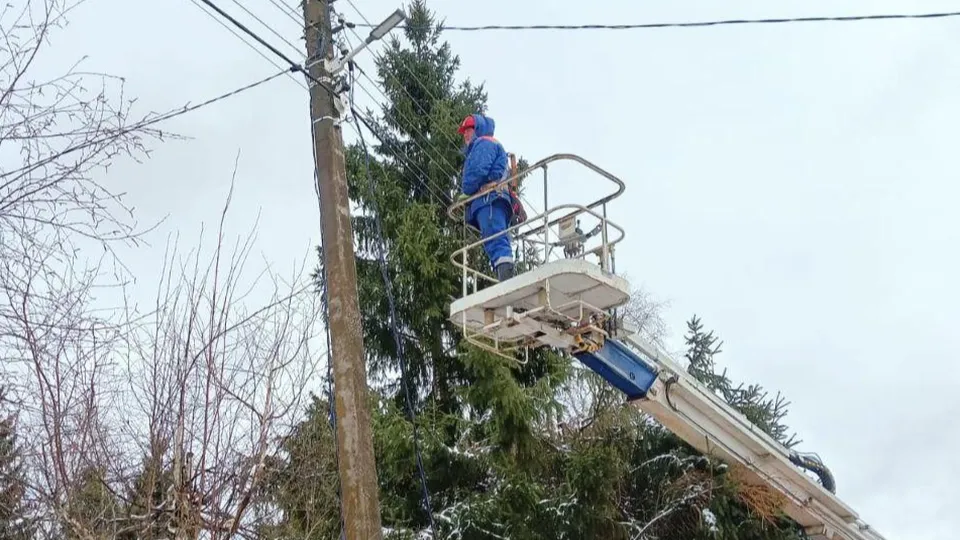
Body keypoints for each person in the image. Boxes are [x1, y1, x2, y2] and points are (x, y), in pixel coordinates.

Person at [458, 113, 515, 281]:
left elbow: (477, 171)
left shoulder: (483, 143)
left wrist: (467, 190)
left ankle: (505, 277)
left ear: (478, 129)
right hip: (493, 200)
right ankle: (502, 274)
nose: (465, 135)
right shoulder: (488, 144)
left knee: (495, 238)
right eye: (464, 132)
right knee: (494, 239)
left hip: (488, 200)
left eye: (468, 130)